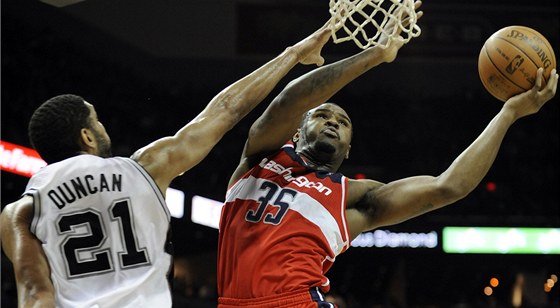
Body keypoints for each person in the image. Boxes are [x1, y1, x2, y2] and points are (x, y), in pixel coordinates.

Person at [216, 7, 558, 308]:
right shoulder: (258, 159)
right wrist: (375, 55)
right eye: (322, 115)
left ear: (349, 149)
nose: (334, 120)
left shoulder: (352, 197)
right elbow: (288, 102)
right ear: (296, 132)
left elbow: (447, 186)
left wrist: (508, 114)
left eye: (344, 121)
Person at [0, 22, 334, 308]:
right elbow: (227, 109)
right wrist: (292, 55)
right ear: (87, 136)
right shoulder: (143, 168)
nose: (104, 128)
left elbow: (35, 293)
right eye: (98, 121)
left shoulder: (20, 211)